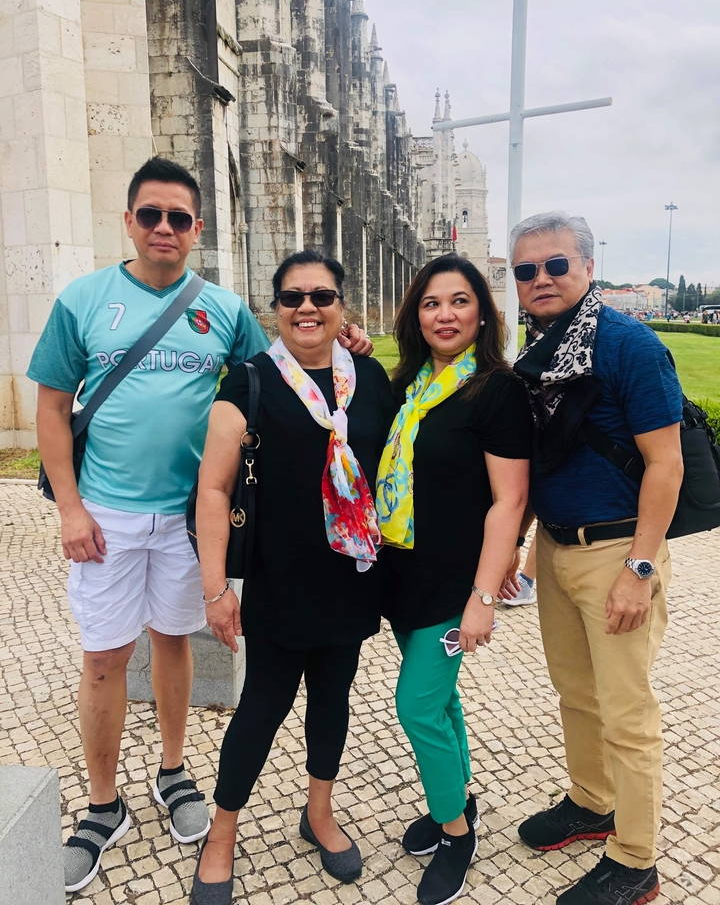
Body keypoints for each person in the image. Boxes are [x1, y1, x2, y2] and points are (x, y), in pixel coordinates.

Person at [26, 158, 372, 894]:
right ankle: (100, 805)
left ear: (197, 231)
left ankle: (174, 773)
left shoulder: (221, 307)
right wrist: (69, 508)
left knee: (173, 643)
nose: (163, 228)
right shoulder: (84, 300)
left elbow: (284, 361)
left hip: (187, 516)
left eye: (179, 218)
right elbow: (52, 407)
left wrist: (349, 342)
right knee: (102, 659)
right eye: (150, 214)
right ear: (128, 220)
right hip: (106, 513)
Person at [189, 250, 396, 905]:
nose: (307, 306)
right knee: (261, 709)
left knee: (332, 703)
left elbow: (389, 476)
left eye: (322, 295)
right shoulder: (248, 381)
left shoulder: (370, 376)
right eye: (292, 297)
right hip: (280, 582)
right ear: (274, 308)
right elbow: (214, 490)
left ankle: (319, 811)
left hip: (351, 577)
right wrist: (216, 588)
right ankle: (222, 833)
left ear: (342, 306)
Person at [504, 211, 683, 905]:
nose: (541, 279)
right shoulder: (542, 346)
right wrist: (525, 547)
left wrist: (640, 571)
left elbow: (663, 465)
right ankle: (591, 801)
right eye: (526, 270)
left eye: (555, 265)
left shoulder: (629, 345)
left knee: (627, 713)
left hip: (618, 549)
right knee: (576, 693)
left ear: (586, 266)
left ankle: (636, 860)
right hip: (556, 546)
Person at [376, 253, 532, 905]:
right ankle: (458, 793)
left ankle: (455, 831)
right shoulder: (410, 384)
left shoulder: (495, 389)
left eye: (460, 301)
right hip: (403, 575)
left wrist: (483, 596)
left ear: (481, 312)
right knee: (441, 702)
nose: (445, 314)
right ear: (417, 314)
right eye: (432, 302)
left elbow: (509, 501)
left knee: (414, 706)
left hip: (453, 584)